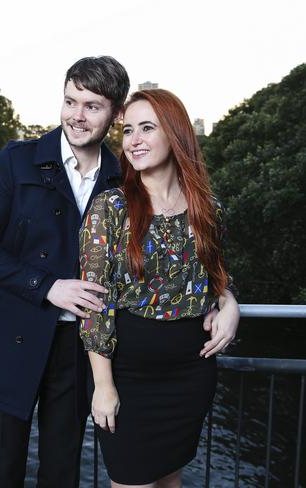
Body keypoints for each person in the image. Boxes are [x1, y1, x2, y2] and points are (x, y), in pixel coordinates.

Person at [0, 56, 130, 487]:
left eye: (92, 106)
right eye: (70, 101)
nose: (76, 115)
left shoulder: (124, 177)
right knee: (3, 470)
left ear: (116, 113)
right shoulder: (17, 160)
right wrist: (46, 285)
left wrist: (225, 294)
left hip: (78, 350)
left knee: (61, 471)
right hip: (7, 339)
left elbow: (171, 240)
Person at [79, 88, 240, 488]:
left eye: (146, 128)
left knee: (170, 482)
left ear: (175, 133)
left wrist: (230, 303)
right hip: (128, 378)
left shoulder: (208, 208)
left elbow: (217, 276)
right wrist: (103, 386)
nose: (133, 140)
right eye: (128, 130)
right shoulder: (110, 208)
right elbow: (94, 303)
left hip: (191, 374)